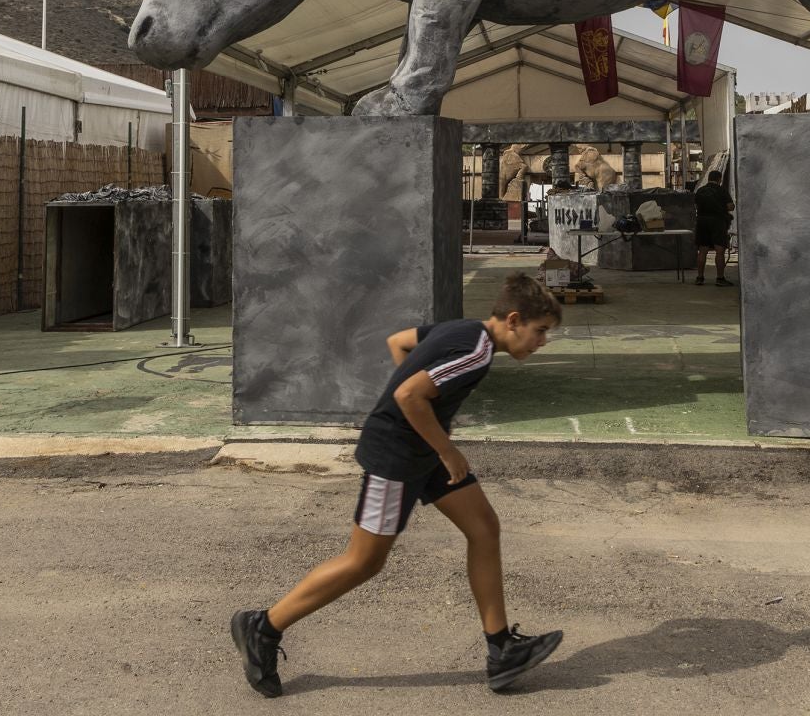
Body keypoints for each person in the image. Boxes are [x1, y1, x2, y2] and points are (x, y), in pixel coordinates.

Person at [230, 274, 567, 697]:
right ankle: (263, 626)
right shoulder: (477, 351)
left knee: (483, 528)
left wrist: (428, 421)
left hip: (420, 446)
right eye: (540, 332)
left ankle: (501, 649)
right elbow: (410, 395)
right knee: (364, 561)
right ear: (514, 320)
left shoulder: (460, 329)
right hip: (397, 454)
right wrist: (445, 448)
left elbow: (399, 343)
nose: (541, 343)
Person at [694, 169, 733, 285]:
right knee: (719, 251)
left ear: (708, 178)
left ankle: (700, 278)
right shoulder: (722, 191)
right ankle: (720, 279)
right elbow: (730, 207)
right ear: (719, 179)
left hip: (702, 221)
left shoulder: (700, 191)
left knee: (702, 251)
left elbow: (696, 206)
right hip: (717, 222)